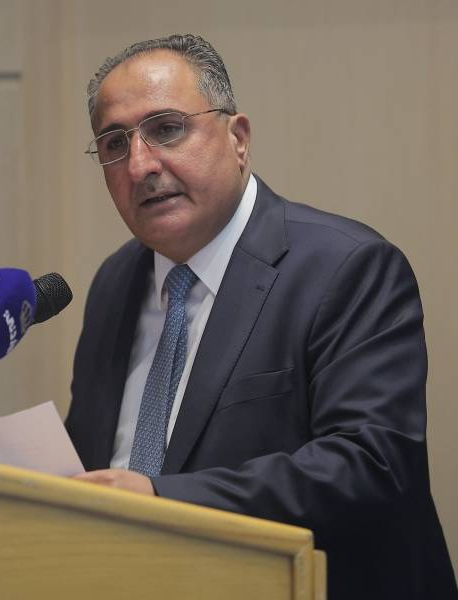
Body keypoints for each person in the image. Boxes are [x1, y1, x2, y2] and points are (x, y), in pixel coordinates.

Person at [67, 34, 457, 599]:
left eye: (167, 129)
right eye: (114, 143)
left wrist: (160, 501)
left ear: (238, 139)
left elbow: (372, 466)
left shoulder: (345, 266)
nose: (140, 164)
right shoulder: (114, 282)